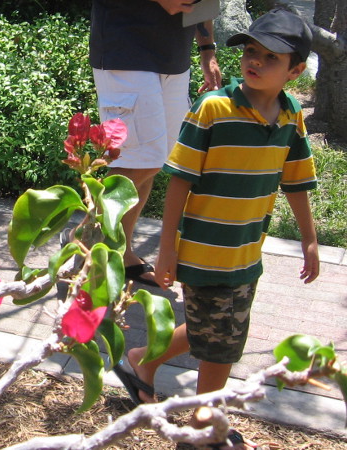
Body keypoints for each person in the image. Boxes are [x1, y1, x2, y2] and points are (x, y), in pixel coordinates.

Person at [119, 8, 320, 448]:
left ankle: (143, 361)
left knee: (214, 327)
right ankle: (203, 427)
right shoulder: (214, 109)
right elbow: (179, 180)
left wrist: (309, 239)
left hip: (246, 252)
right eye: (252, 51)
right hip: (203, 250)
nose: (256, 62)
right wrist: (167, 247)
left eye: (271, 58)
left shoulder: (290, 118)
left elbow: (298, 181)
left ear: (296, 70)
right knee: (223, 344)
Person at [90, 0, 222, 286]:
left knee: (159, 158)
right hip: (124, 51)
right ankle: (87, 241)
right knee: (140, 160)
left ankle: (118, 252)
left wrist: (207, 49)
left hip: (173, 57)